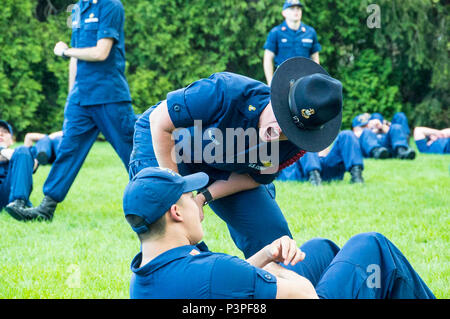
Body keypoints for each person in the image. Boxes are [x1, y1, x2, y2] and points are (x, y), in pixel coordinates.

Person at [129, 57, 343, 258]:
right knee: (170, 224)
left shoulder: (297, 144)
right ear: (277, 98)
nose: (277, 133)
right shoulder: (226, 91)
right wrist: (179, 195)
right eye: (280, 119)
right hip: (167, 142)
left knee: (273, 239)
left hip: (226, 165)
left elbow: (254, 177)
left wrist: (202, 197)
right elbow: (160, 122)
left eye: (289, 131)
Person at [124, 167, 435, 299]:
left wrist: (265, 254)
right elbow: (305, 296)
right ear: (176, 213)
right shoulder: (212, 270)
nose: (198, 203)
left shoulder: (143, 277)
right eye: (191, 197)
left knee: (322, 250)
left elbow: (221, 285)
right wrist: (273, 268)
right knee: (371, 246)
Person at [8, 0, 136, 222]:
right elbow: (74, 60)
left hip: (108, 94)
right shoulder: (80, 8)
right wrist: (71, 96)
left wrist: (66, 51)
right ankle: (46, 208)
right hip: (80, 97)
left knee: (132, 149)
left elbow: (101, 52)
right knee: (68, 149)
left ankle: (160, 199)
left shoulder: (111, 6)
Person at [263, 0, 321, 85]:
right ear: (284, 13)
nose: (296, 11)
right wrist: (270, 82)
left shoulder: (310, 32)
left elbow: (315, 58)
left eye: (298, 8)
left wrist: (316, 79)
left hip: (305, 81)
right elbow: (268, 59)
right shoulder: (276, 32)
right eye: (292, 8)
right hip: (282, 80)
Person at [277, 130, 364, 185]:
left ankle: (357, 177)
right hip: (300, 171)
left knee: (347, 134)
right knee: (305, 138)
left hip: (321, 163)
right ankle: (315, 179)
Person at [0, 120, 35, 215]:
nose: (0, 133)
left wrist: (4, 151)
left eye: (5, 132)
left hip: (9, 192)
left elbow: (34, 166)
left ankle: (19, 204)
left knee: (23, 150)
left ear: (12, 140)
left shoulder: (20, 153)